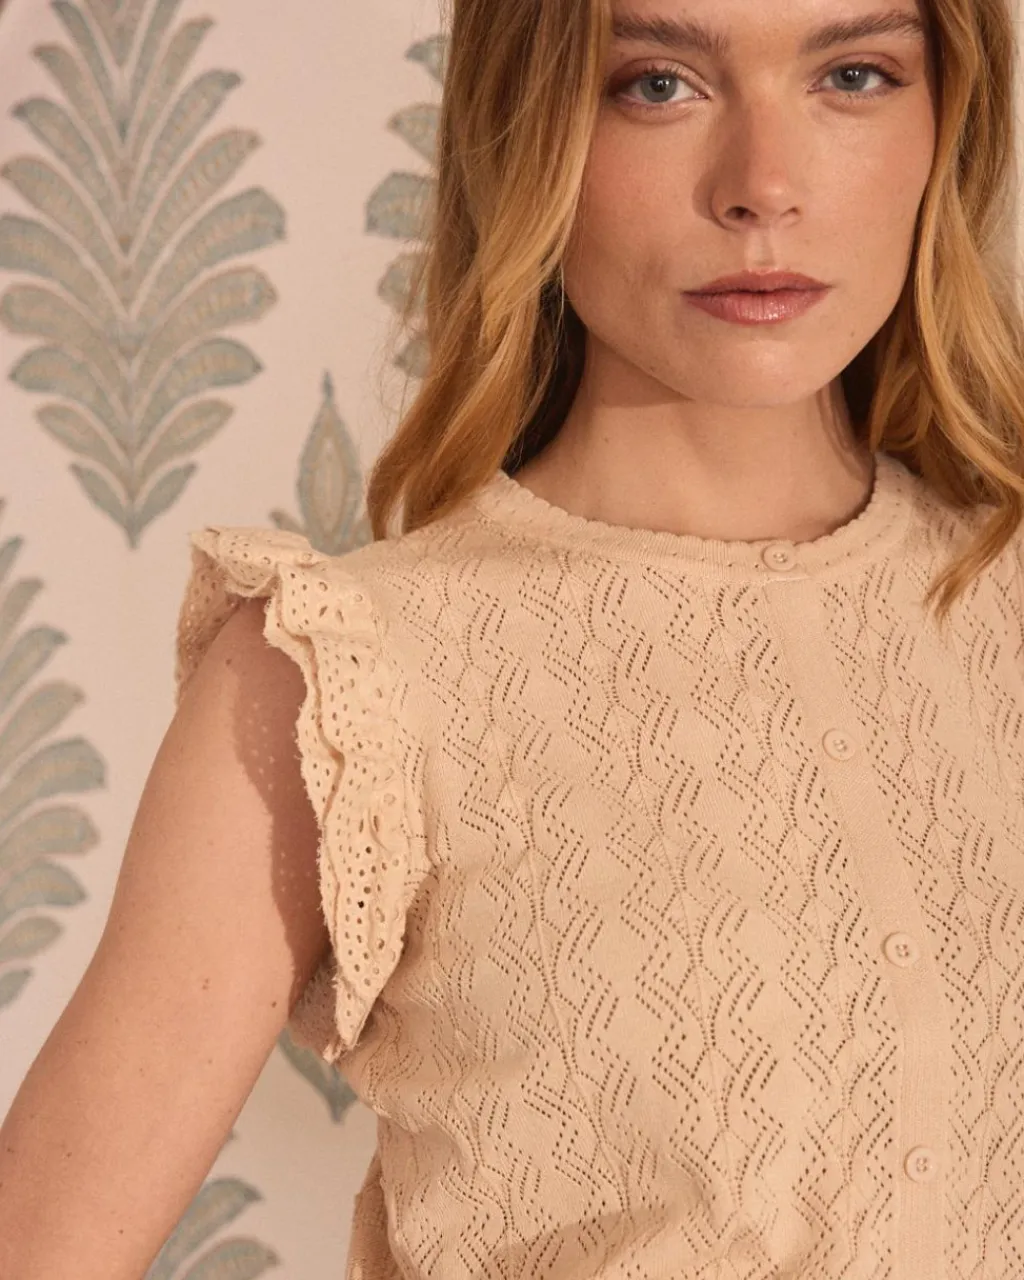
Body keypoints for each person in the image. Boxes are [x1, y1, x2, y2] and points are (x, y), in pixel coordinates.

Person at [3, 0, 1024, 1274]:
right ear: (525, 127)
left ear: (950, 117)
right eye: (657, 84)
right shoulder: (342, 682)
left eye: (854, 75)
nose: (762, 186)